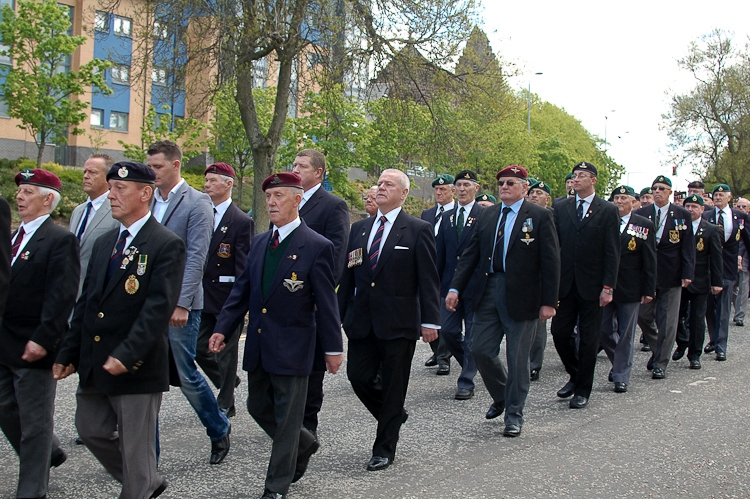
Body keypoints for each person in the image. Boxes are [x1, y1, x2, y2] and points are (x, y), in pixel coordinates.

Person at [54, 161, 185, 499]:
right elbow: (86, 303)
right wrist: (67, 353)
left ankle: (140, 484)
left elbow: (157, 309)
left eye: (119, 189)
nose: (110, 195)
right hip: (96, 359)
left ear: (145, 193)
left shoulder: (165, 243)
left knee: (135, 451)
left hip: (135, 365)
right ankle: (146, 481)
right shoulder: (105, 243)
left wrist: (126, 354)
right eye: (110, 188)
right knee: (91, 429)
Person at [209, 172, 343, 499]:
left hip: (295, 346)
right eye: (268, 196)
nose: (271, 202)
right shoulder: (259, 243)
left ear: (298, 200)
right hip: (259, 343)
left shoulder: (316, 246)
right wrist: (223, 328)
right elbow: (241, 292)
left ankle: (276, 488)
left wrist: (333, 348)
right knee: (257, 406)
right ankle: (305, 443)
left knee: (286, 421)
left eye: (279, 196)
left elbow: (326, 303)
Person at [339, 168, 441, 471]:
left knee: (395, 385)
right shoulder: (359, 228)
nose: (380, 188)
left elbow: (428, 280)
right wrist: (337, 314)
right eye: (379, 183)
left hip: (399, 322)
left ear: (404, 193)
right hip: (361, 319)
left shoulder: (418, 229)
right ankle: (393, 414)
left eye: (388, 184)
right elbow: (349, 276)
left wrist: (431, 321)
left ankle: (384, 448)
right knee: (358, 376)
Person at [447, 165, 560, 436]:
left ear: (524, 188)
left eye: (511, 183)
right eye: (501, 184)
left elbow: (551, 261)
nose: (505, 187)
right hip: (489, 289)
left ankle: (514, 413)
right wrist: (455, 288)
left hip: (523, 295)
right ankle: (502, 395)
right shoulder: (488, 215)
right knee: (479, 348)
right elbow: (471, 255)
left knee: (517, 357)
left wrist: (549, 301)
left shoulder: (540, 216)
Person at [146, 140, 231, 464]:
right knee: (145, 379)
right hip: (146, 303)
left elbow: (197, 256)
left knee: (185, 374)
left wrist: (181, 303)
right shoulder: (148, 199)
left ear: (176, 165)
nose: (152, 172)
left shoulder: (197, 203)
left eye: (158, 167)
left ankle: (218, 427)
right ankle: (147, 457)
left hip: (182, 304)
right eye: (150, 166)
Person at [0, 169, 79, 499]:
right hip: (5, 342)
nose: (20, 196)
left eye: (29, 191)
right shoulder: (12, 237)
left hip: (36, 342)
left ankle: (31, 491)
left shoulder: (60, 240)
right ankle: (50, 451)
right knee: (5, 408)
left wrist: (44, 338)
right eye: (19, 191)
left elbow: (61, 296)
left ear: (48, 199)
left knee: (35, 424)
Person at [290, 149, 350, 437]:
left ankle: (306, 431)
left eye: (302, 166)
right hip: (284, 299)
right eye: (294, 164)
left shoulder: (333, 206)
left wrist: (320, 295)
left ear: (318, 173)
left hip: (311, 299)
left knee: (312, 370)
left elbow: (336, 255)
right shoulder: (287, 201)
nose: (296, 169)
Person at [551, 161, 620, 409]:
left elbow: (612, 252)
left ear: (593, 180)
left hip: (593, 285)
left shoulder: (607, 210)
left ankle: (583, 389)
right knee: (559, 332)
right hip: (566, 283)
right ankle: (575, 373)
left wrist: (608, 286)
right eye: (574, 175)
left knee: (589, 339)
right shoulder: (561, 206)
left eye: (582, 175)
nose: (576, 179)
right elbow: (554, 246)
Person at [196, 162, 254, 418]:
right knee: (198, 348)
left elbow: (243, 266)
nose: (206, 185)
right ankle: (228, 383)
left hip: (226, 298)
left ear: (228, 184)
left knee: (226, 354)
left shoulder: (240, 221)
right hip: (202, 296)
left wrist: (239, 302)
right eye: (206, 180)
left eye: (212, 181)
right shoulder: (200, 213)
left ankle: (226, 402)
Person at [634, 175, 695, 379]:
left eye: (662, 188)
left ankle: (661, 362)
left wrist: (687, 272)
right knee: (643, 315)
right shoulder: (642, 213)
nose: (657, 191)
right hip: (647, 274)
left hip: (672, 273)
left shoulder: (682, 214)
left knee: (668, 321)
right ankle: (657, 348)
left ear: (670, 192)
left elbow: (687, 246)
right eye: (654, 188)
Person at [600, 186, 656, 393]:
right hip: (605, 286)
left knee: (626, 333)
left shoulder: (644, 225)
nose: (619, 201)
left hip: (631, 287)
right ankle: (618, 362)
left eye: (624, 198)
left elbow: (650, 260)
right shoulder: (604, 221)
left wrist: (649, 288)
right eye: (616, 197)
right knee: (603, 330)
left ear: (634, 202)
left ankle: (622, 374)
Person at [435, 169, 483, 400]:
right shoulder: (447, 218)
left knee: (473, 335)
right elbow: (441, 255)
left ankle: (466, 380)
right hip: (449, 285)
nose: (462, 189)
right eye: (459, 186)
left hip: (475, 286)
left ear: (476, 188)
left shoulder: (484, 216)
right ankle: (470, 360)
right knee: (448, 331)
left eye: (467, 185)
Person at [673, 194, 723, 369]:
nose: (690, 210)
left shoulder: (710, 230)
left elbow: (716, 258)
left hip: (700, 280)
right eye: (687, 206)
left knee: (697, 318)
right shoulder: (677, 227)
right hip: (678, 279)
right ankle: (682, 341)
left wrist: (717, 282)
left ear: (703, 209)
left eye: (695, 207)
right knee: (675, 316)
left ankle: (694, 354)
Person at [702, 184, 750, 360]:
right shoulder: (706, 216)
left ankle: (721, 345)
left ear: (729, 198)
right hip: (707, 267)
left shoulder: (740, 217)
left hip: (728, 267)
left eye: (721, 195)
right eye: (715, 195)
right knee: (709, 306)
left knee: (723, 306)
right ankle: (714, 338)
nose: (718, 197)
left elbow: (747, 240)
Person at [69, 154, 120, 297]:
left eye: (92, 172)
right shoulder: (78, 211)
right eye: (84, 171)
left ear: (107, 178)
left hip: (95, 294)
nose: (86, 176)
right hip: (69, 293)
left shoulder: (116, 211)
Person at [421, 173, 455, 374]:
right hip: (429, 269)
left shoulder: (456, 214)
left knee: (444, 316)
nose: (439, 193)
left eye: (443, 189)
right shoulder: (428, 214)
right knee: (428, 312)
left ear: (452, 191)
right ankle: (437, 351)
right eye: (436, 189)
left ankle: (445, 357)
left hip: (447, 269)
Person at [526, 179, 554, 381]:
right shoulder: (523, 215)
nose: (534, 195)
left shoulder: (551, 217)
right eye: (532, 192)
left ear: (548, 199)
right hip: (521, 276)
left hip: (541, 276)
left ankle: (534, 363)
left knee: (538, 324)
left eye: (539, 193)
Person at [732, 197, 750, 326]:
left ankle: (739, 315)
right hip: (729, 254)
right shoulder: (730, 217)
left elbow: (745, 240)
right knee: (731, 284)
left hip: (743, 254)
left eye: (744, 206)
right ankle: (735, 306)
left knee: (743, 284)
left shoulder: (747, 220)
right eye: (739, 206)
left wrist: (740, 255)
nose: (741, 209)